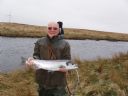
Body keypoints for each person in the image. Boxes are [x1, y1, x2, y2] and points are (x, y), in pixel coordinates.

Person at [26, 21, 71, 96]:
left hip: (58, 82)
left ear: (59, 30)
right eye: (50, 28)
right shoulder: (39, 41)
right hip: (42, 80)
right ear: (47, 29)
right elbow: (36, 55)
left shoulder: (65, 44)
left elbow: (67, 60)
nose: (52, 30)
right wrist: (32, 60)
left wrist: (67, 69)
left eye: (55, 28)